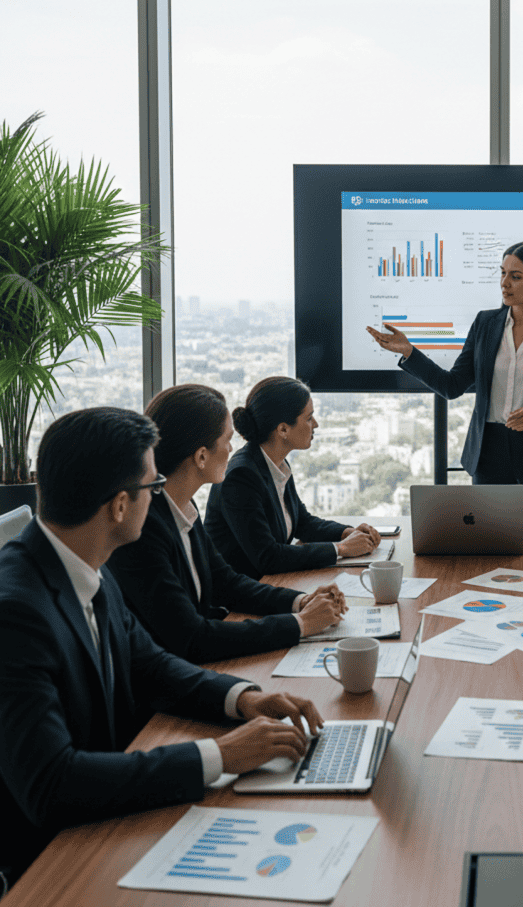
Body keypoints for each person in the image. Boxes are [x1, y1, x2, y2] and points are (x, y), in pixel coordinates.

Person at [0, 407, 325, 890]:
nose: (160, 499)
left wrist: (243, 698)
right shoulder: (17, 612)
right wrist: (218, 755)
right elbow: (52, 784)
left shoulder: (83, 561)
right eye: (153, 488)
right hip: (52, 865)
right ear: (118, 506)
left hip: (108, 821)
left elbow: (148, 663)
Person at [108, 385, 345, 664]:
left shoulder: (184, 505)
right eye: (227, 440)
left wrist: (301, 602)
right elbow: (192, 638)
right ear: (201, 456)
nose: (232, 449)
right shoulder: (145, 529)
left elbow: (226, 582)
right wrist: (301, 624)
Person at [367, 240, 523, 516]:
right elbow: (452, 385)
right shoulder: (486, 323)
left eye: (516, 276)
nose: (504, 283)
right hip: (489, 454)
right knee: (489, 546)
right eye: (502, 273)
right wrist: (410, 352)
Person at [205, 376, 381, 579]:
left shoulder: (277, 463)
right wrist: (340, 549)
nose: (315, 424)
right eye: (308, 418)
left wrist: (347, 533)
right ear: (283, 429)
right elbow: (267, 557)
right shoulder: (241, 477)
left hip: (271, 584)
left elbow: (302, 523)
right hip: (238, 601)